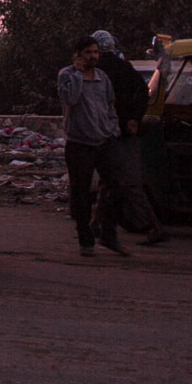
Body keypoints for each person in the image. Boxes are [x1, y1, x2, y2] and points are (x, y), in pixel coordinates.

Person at [91, 29, 168, 247]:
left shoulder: (98, 70)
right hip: (121, 132)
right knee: (111, 181)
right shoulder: (122, 67)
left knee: (128, 183)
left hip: (111, 135)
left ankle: (155, 227)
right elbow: (142, 91)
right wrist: (135, 117)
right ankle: (96, 226)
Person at [56, 34, 127, 257]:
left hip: (104, 141)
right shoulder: (67, 75)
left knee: (117, 185)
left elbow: (109, 105)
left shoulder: (102, 77)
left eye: (96, 52)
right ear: (78, 55)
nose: (93, 56)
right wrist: (78, 74)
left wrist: (112, 129)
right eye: (88, 52)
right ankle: (85, 239)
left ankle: (108, 234)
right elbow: (71, 99)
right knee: (81, 193)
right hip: (79, 144)